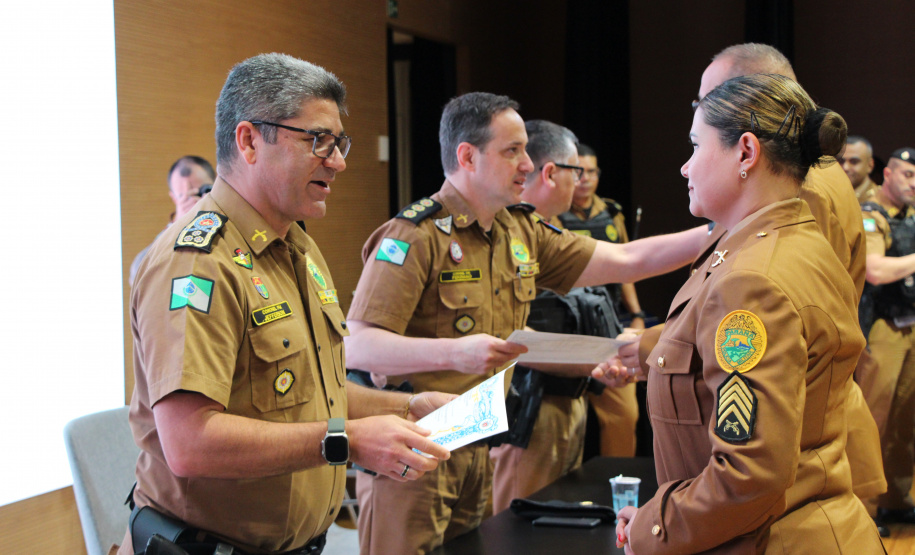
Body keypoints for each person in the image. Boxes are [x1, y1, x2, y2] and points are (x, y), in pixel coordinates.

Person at [344, 92, 709, 554]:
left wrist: (724, 226)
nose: (527, 164)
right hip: (410, 448)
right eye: (512, 150)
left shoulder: (518, 230)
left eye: (526, 151)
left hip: (478, 446)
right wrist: (454, 352)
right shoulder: (414, 237)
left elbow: (630, 257)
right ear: (467, 156)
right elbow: (357, 346)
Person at [118, 53, 453, 555]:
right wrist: (350, 440)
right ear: (250, 140)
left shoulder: (295, 245)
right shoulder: (196, 262)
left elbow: (312, 390)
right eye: (318, 140)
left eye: (340, 143)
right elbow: (190, 443)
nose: (338, 161)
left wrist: (407, 408)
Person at [608, 72, 884, 554]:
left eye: (696, 146)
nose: (685, 167)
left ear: (746, 152)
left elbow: (748, 476)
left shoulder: (751, 279)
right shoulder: (795, 242)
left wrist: (653, 527)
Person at [487, 119, 594, 513]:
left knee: (555, 522)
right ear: (551, 173)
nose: (581, 182)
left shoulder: (554, 230)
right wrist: (602, 355)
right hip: (527, 406)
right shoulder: (499, 230)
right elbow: (505, 331)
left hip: (568, 396)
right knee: (514, 523)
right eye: (576, 171)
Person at [555, 143, 641, 457]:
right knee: (565, 420)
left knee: (624, 414)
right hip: (573, 324)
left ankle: (619, 482)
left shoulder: (612, 213)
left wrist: (637, 313)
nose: (586, 179)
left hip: (612, 322)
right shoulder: (554, 214)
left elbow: (627, 267)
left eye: (592, 172)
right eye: (579, 172)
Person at [860, 147, 915, 529]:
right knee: (870, 421)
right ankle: (861, 509)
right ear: (888, 175)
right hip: (880, 328)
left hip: (911, 326)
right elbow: (875, 270)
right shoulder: (869, 213)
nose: (914, 184)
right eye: (908, 175)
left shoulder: (910, 216)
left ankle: (896, 498)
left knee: (905, 421)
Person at [129, 155, 216, 287]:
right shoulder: (165, 239)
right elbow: (138, 277)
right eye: (185, 197)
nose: (196, 201)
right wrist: (179, 226)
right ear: (174, 199)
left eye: (203, 191)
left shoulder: (231, 224)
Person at [839, 135, 879, 202]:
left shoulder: (878, 199)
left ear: (870, 165)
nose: (845, 167)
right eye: (841, 161)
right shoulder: (829, 194)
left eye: (854, 162)